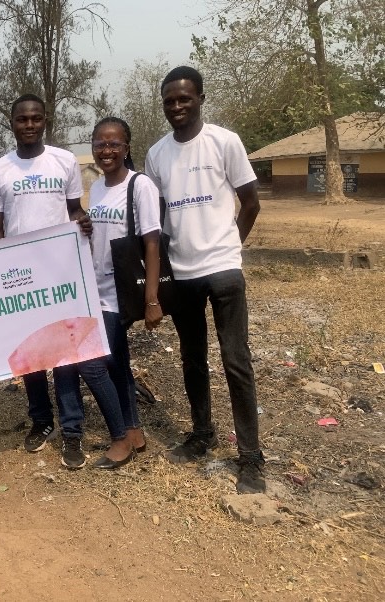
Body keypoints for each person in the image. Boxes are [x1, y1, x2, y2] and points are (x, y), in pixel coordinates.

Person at [144, 66, 265, 494]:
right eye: (169, 101)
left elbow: (251, 202)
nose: (177, 106)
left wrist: (231, 247)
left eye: (184, 98)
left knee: (235, 360)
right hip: (183, 273)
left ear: (200, 99)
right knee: (192, 358)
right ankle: (202, 434)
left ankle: (250, 457)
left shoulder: (224, 141)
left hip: (224, 270)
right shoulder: (157, 154)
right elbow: (156, 217)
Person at [0, 93, 93, 470]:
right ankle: (41, 421)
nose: (29, 125)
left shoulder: (64, 161)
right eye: (22, 119)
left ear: (45, 120)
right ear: (12, 122)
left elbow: (75, 210)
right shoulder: (0, 170)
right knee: (30, 353)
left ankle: (72, 430)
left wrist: (83, 223)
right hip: (21, 276)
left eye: (36, 118)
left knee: (64, 354)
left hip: (60, 271)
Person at [78, 117, 162, 469]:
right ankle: (134, 430)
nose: (106, 150)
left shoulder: (140, 185)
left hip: (120, 293)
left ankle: (119, 438)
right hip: (95, 289)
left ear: (126, 147)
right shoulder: (97, 187)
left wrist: (152, 300)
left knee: (90, 365)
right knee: (118, 363)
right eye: (100, 144)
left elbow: (152, 244)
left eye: (114, 144)